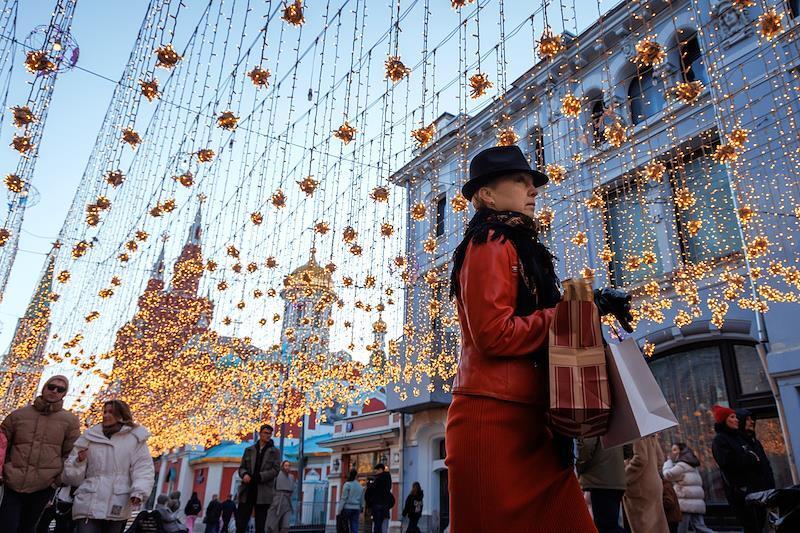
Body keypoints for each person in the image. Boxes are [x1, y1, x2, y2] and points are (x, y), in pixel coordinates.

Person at [445, 145, 632, 532]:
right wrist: (573, 312)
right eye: (520, 181)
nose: (533, 191)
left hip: (536, 423)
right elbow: (494, 336)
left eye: (533, 184)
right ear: (486, 195)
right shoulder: (489, 243)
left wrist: (590, 302)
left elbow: (534, 317)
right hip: (494, 424)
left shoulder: (519, 246)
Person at [0, 375, 81, 533]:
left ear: (64, 394)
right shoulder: (18, 415)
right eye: (51, 386)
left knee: (28, 528)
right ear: (44, 387)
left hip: (43, 486)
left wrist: (56, 481)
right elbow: (2, 444)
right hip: (13, 483)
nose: (54, 391)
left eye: (60, 389)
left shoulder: (70, 421)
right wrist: (6, 471)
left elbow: (70, 454)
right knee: (6, 526)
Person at [62, 399, 155, 533]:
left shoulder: (135, 439)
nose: (106, 415)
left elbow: (143, 468)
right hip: (89, 501)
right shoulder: (89, 437)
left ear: (122, 415)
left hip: (117, 501)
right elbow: (70, 477)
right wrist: (79, 462)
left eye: (111, 412)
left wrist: (139, 491)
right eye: (104, 412)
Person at [710, 405, 763, 533]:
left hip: (753, 488)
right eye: (732, 417)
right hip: (741, 491)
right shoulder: (720, 440)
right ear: (724, 420)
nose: (737, 420)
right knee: (751, 526)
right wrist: (750, 458)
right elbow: (728, 462)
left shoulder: (738, 437)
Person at [235, 424, 281, 533]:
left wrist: (261, 476)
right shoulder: (249, 450)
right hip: (247, 489)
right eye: (265, 433)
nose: (268, 435)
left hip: (263, 491)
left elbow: (276, 470)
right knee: (241, 522)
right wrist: (245, 474)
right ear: (260, 433)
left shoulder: (274, 452)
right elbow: (241, 467)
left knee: (261, 524)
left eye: (270, 434)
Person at [576, 437, 626, 533]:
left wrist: (578, 466)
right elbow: (628, 447)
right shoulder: (617, 421)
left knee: (606, 527)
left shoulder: (592, 421)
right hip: (616, 478)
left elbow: (587, 445)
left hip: (599, 479)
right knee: (611, 524)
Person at [662, 443, 713, 533]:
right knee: (700, 527)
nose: (672, 452)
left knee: (682, 530)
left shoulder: (681, 465)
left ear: (681, 451)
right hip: (696, 503)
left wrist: (667, 463)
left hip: (685, 503)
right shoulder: (691, 465)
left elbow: (668, 475)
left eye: (674, 450)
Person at [623, 435, 669, 533]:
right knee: (657, 526)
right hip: (654, 484)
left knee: (643, 527)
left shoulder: (636, 434)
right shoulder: (651, 434)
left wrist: (624, 477)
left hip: (639, 488)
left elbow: (640, 459)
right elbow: (660, 459)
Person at [736, 409, 776, 491]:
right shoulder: (737, 443)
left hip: (767, 491)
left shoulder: (756, 442)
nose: (752, 422)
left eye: (752, 419)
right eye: (747, 419)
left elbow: (765, 465)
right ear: (740, 422)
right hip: (753, 495)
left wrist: (771, 485)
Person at [265, 461, 296, 533]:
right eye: (286, 465)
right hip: (277, 502)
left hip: (287, 503)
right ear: (282, 466)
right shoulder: (277, 475)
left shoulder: (291, 477)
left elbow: (292, 490)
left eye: (289, 465)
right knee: (272, 526)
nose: (287, 467)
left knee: (286, 526)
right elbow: (272, 487)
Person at [364, 463, 393, 533]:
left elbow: (369, 492)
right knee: (384, 526)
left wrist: (368, 505)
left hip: (377, 505)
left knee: (377, 525)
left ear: (380, 469)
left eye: (376, 471)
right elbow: (388, 491)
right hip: (385, 506)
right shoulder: (388, 478)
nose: (375, 472)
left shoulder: (377, 479)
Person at [337, 468, 365, 533]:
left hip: (347, 508)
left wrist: (339, 509)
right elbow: (362, 499)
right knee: (354, 525)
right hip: (356, 508)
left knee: (345, 526)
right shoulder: (360, 486)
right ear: (356, 476)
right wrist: (361, 508)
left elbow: (343, 498)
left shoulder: (347, 484)